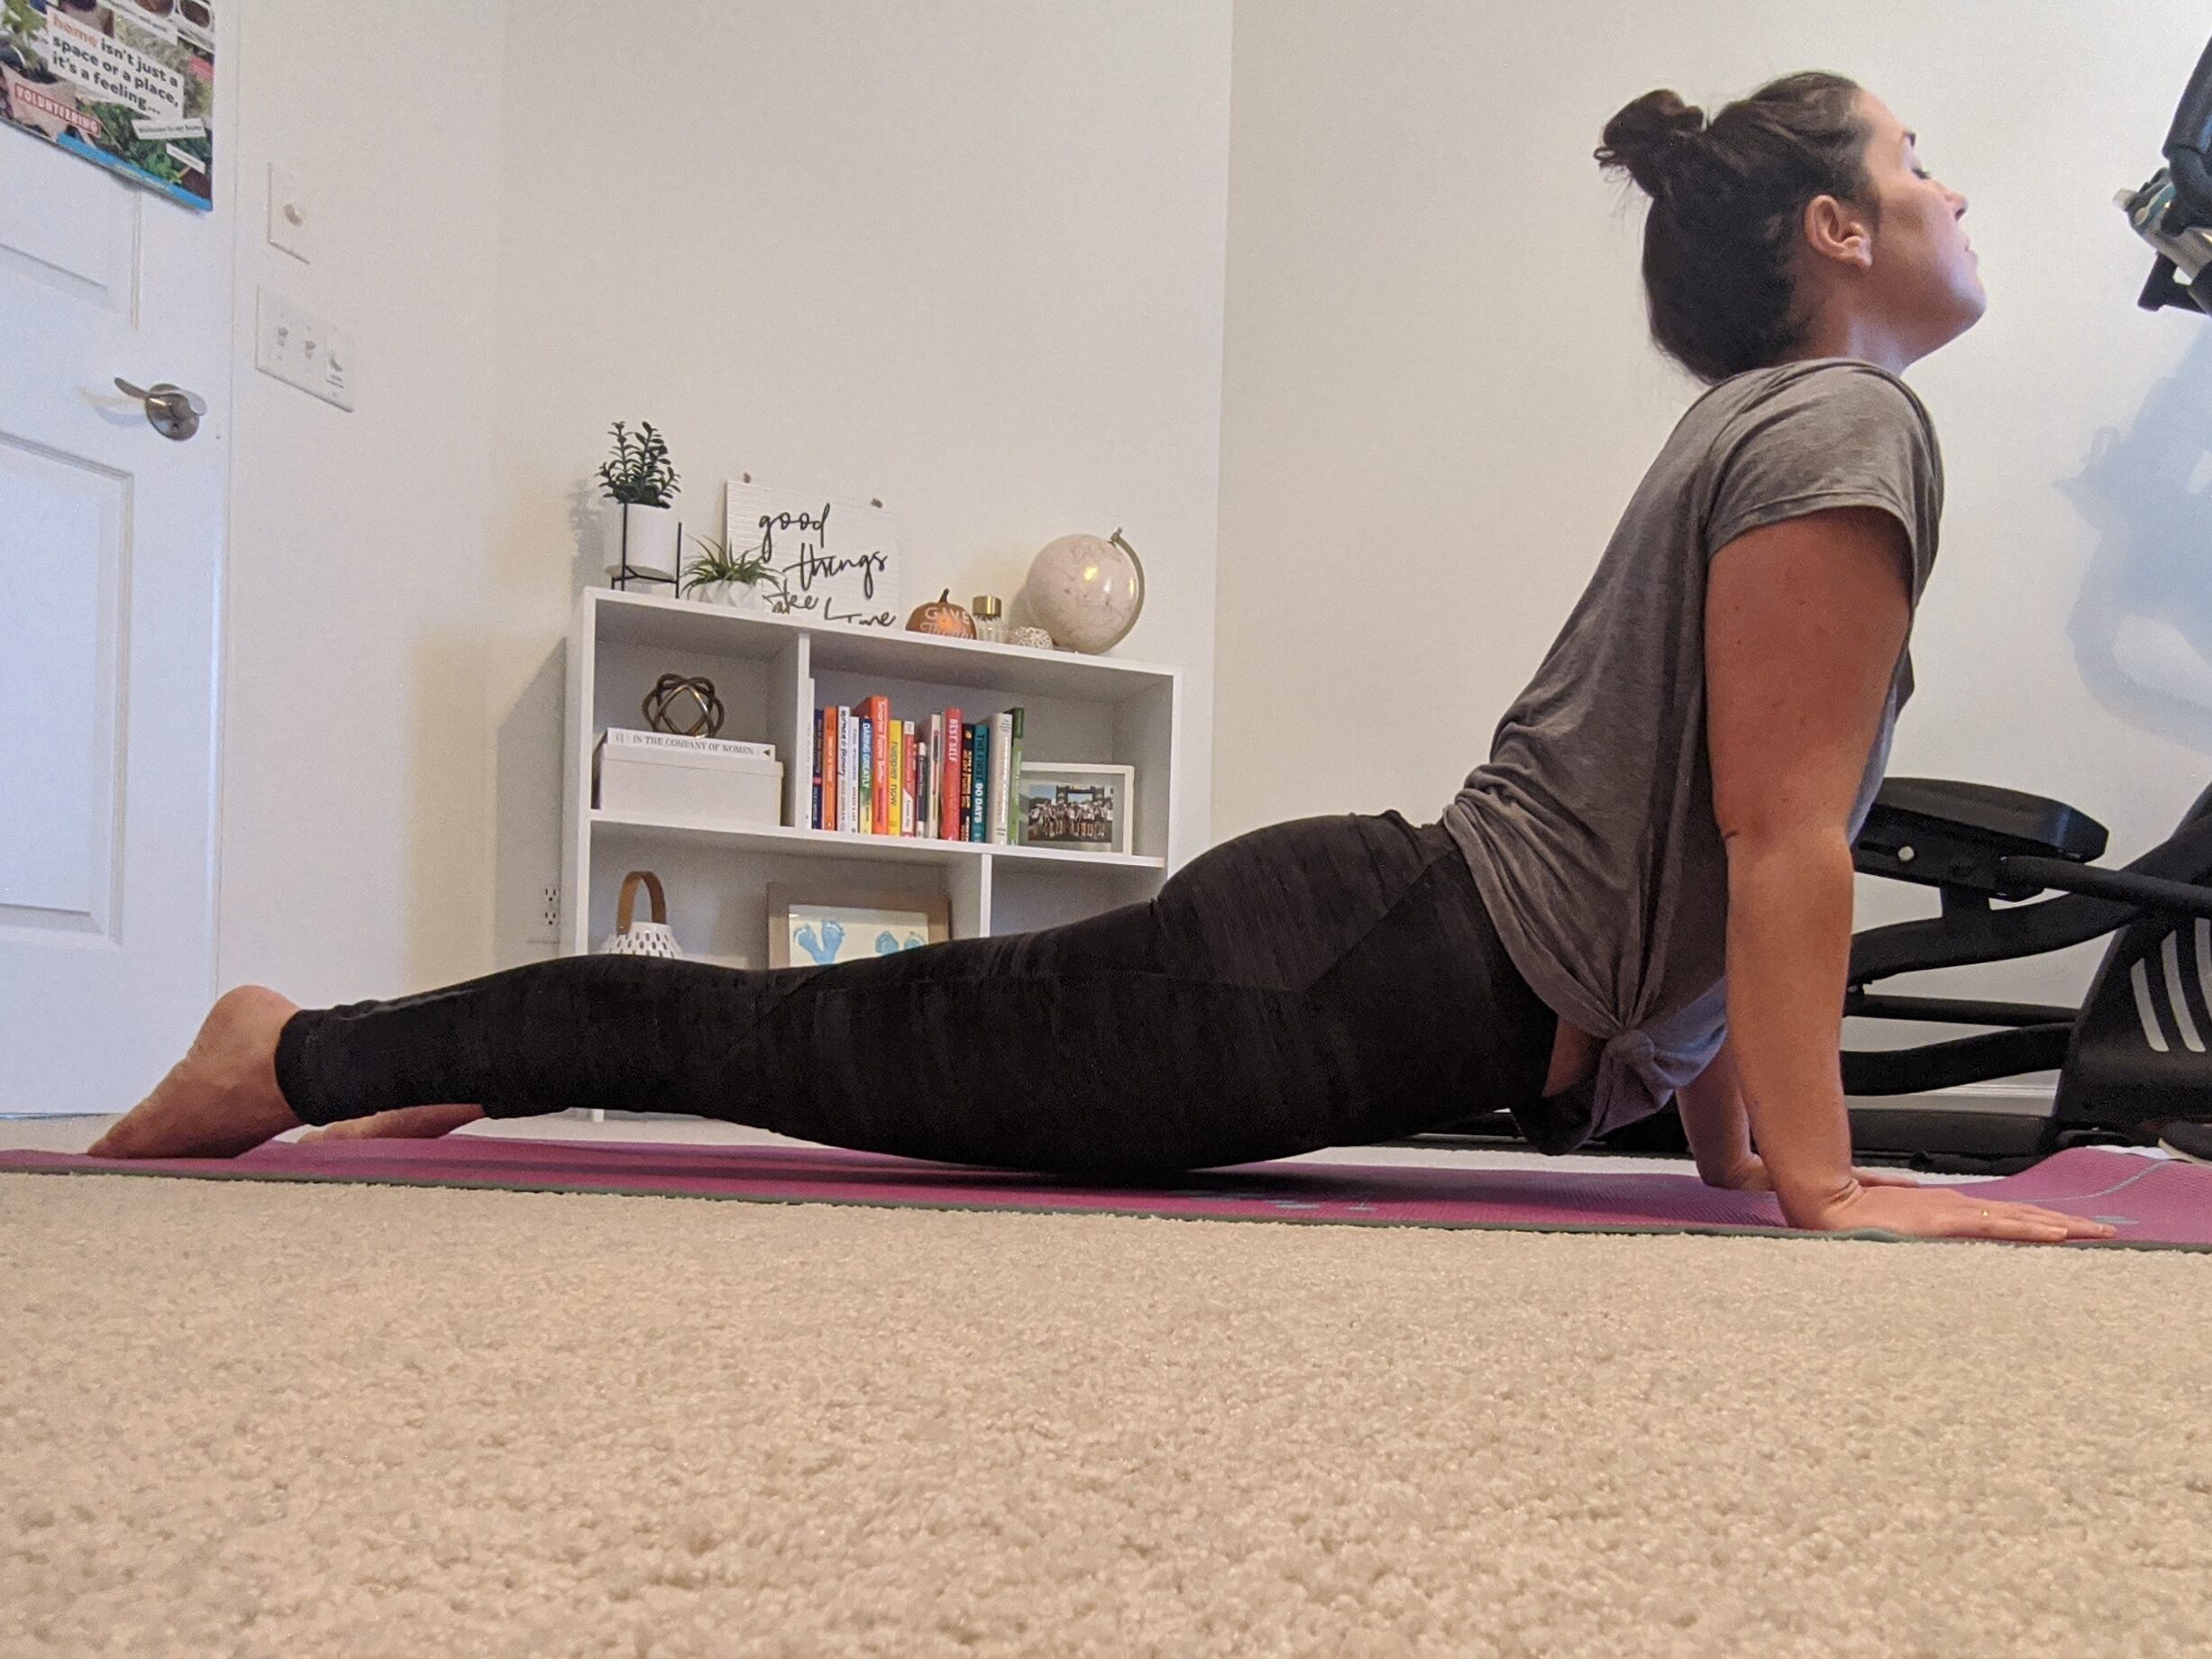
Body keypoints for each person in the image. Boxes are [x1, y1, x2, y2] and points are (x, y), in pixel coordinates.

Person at [90, 71, 2113, 1244]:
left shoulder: (1783, 431)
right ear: (1835, 235)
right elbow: (1777, 843)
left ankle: (405, 1061)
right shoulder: (1847, 430)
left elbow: (1692, 851)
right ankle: (302, 1050)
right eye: (1919, 158)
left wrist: (1747, 1157)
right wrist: (1836, 1191)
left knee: (778, 1044)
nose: (1950, 185)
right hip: (1350, 966)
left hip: (1375, 960)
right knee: (773, 1048)